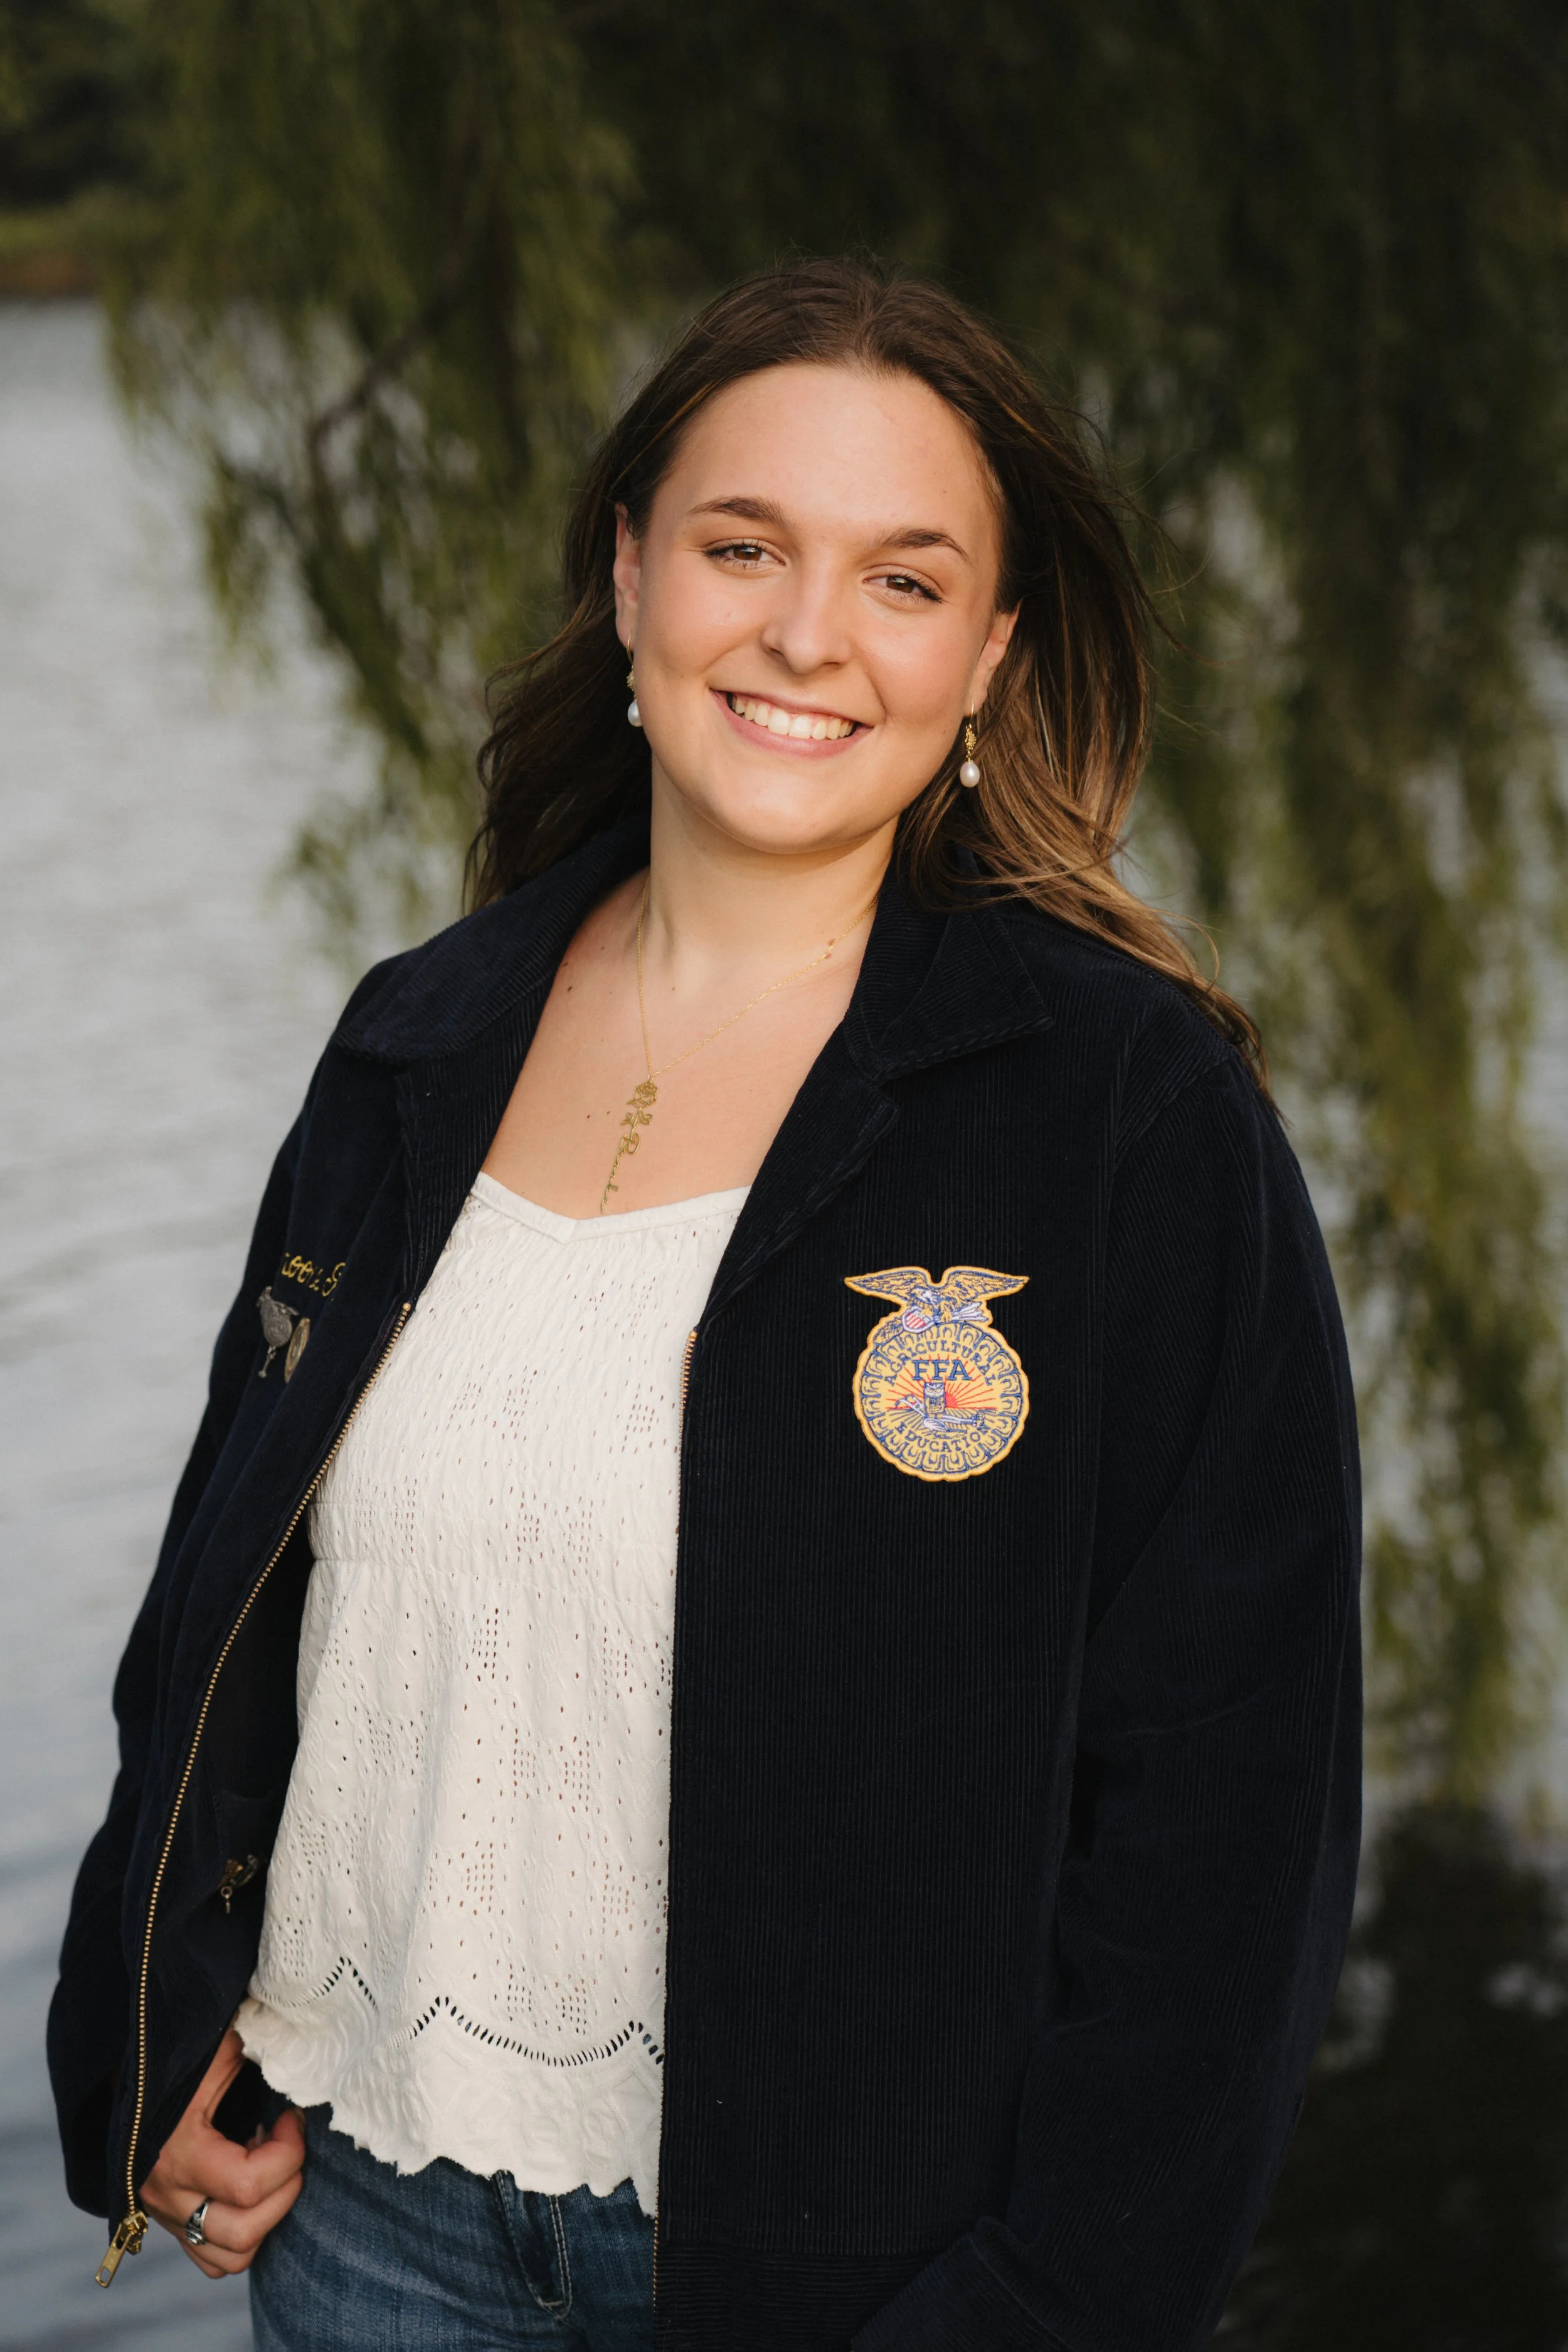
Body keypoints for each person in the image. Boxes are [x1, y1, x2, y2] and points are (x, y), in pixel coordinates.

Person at [49, 258, 1361, 2352]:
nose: (807, 634)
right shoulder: (418, 1041)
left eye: (904, 579)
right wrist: (141, 2035)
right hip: (365, 2218)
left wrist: (1042, 2307)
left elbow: (1230, 1816)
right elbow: (227, 1597)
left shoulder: (1121, 1111)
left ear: (990, 654)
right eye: (744, 545)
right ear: (631, 573)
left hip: (847, 2280)